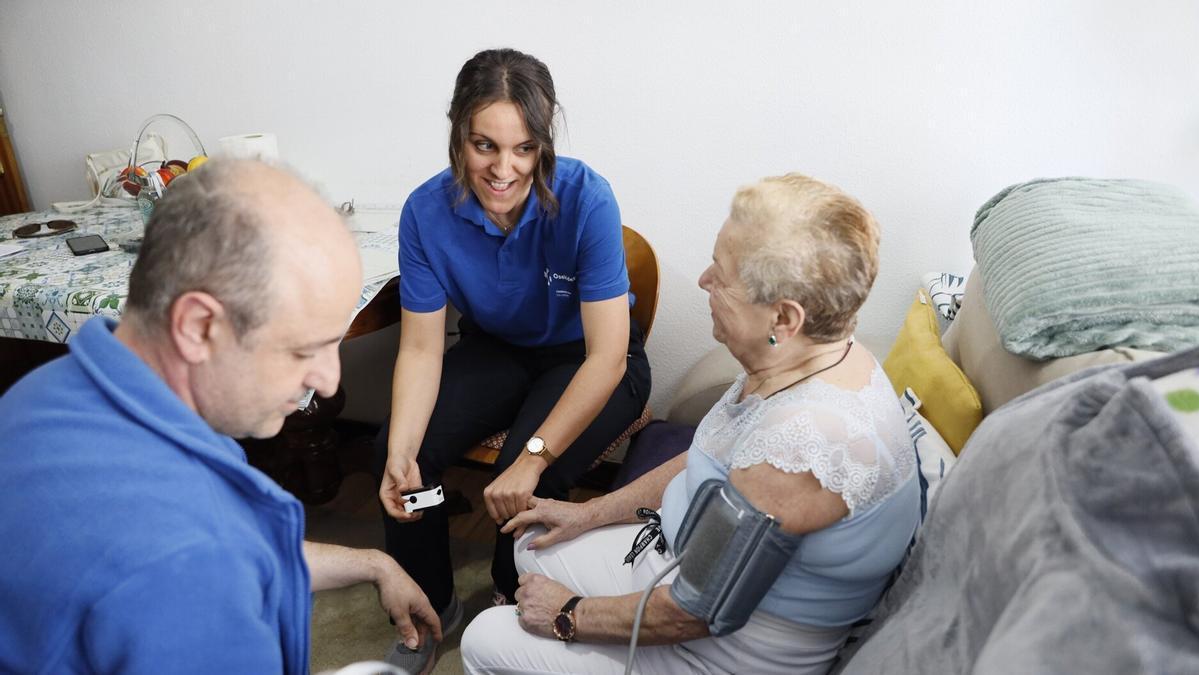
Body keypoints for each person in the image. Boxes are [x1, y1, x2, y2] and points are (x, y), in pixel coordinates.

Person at [459, 174, 921, 674]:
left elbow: (696, 611)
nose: (703, 279)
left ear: (783, 320)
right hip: (687, 563)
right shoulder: (811, 356)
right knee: (534, 546)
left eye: (721, 275)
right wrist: (588, 515)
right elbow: (711, 453)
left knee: (484, 638)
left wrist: (567, 615)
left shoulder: (805, 448)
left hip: (728, 649)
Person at [0, 159, 440, 674]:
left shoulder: (37, 395)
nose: (327, 380)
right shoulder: (193, 565)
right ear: (197, 326)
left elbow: (238, 545)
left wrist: (373, 563)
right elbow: (204, 557)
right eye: (305, 349)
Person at [375, 48, 652, 670]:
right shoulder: (425, 211)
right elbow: (421, 347)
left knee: (525, 483)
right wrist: (399, 446)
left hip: (592, 362)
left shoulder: (587, 198)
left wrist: (531, 458)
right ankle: (430, 603)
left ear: (544, 143)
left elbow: (607, 356)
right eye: (484, 146)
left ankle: (511, 607)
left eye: (524, 148)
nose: (504, 169)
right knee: (405, 458)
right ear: (458, 137)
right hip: (498, 350)